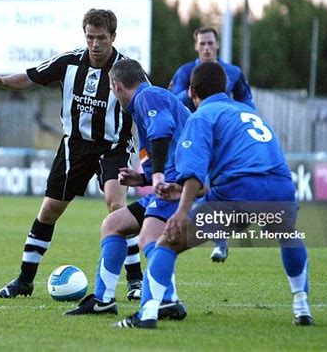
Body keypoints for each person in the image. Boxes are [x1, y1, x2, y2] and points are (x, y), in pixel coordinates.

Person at [115, 62, 313, 329]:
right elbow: (249, 163)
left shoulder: (202, 116)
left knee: (166, 244)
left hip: (235, 194)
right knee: (288, 235)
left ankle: (147, 314)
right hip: (280, 187)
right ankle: (302, 307)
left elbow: (194, 171)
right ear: (225, 88)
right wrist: (181, 191)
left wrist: (182, 211)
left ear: (192, 92)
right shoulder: (249, 113)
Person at [0, 9, 142, 300]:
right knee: (48, 211)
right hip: (75, 146)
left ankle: (135, 281)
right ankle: (24, 280)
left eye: (101, 38)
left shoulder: (128, 69)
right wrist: (2, 81)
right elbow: (31, 77)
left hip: (113, 147)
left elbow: (147, 105)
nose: (95, 44)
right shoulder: (68, 62)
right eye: (90, 37)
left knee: (116, 205)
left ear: (113, 37)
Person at [65, 59, 189, 320]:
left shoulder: (147, 96)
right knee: (113, 224)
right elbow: (173, 146)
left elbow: (163, 130)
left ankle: (168, 299)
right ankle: (103, 300)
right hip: (171, 182)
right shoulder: (149, 99)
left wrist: (155, 176)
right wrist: (142, 178)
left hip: (178, 185)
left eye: (111, 89)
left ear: (116, 85)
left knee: (150, 239)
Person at [169, 26, 255, 262]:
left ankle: (219, 240)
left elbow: (247, 103)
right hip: (191, 135)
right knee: (194, 184)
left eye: (210, 43)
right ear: (196, 46)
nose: (206, 48)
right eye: (202, 44)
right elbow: (173, 101)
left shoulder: (233, 73)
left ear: (217, 44)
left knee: (213, 185)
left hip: (222, 139)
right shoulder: (186, 71)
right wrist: (193, 92)